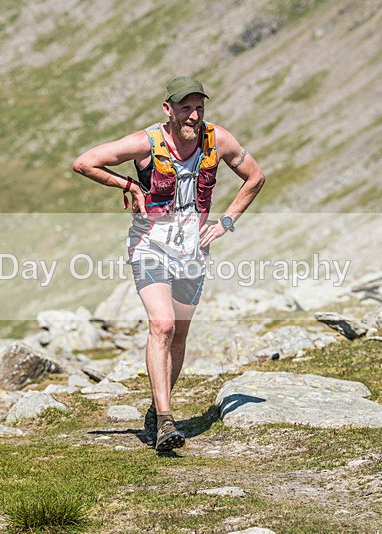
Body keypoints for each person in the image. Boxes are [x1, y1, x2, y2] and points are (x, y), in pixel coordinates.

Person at [73, 76, 265, 451]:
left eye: (199, 107)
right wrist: (128, 186)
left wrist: (226, 221)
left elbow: (255, 177)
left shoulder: (218, 140)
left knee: (178, 334)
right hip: (150, 246)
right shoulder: (147, 143)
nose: (193, 115)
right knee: (161, 325)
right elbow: (84, 163)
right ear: (168, 110)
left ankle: (157, 410)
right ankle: (165, 422)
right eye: (185, 108)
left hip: (193, 251)